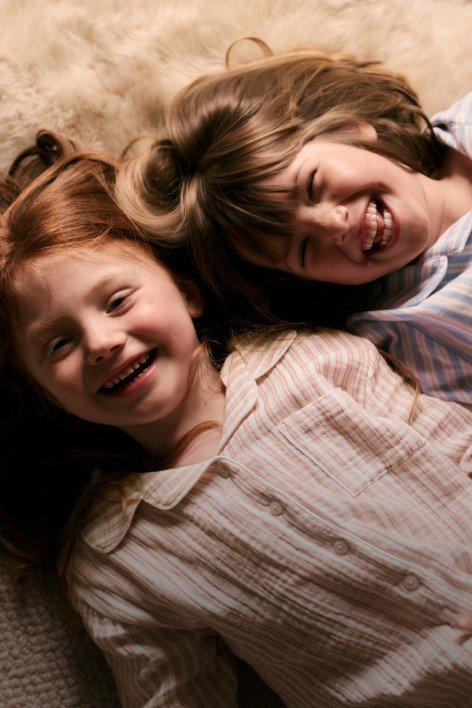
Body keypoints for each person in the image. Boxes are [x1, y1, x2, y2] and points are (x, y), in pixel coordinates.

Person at [1, 133, 471, 708]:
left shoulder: (312, 359)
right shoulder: (112, 559)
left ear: (188, 291)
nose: (100, 343)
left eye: (118, 300)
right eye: (57, 345)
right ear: (43, 393)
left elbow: (456, 445)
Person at [116, 45, 472, 407]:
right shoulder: (412, 331)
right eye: (304, 249)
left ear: (351, 128)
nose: (334, 226)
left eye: (313, 185)